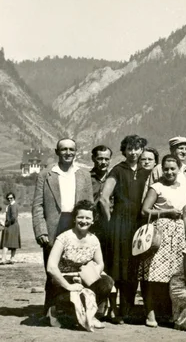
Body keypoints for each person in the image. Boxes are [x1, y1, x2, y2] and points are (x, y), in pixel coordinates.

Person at [32, 137, 94, 315]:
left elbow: (89, 205)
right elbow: (37, 205)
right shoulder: (46, 174)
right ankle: (50, 310)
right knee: (52, 269)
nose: (68, 153)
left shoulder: (84, 174)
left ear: (76, 152)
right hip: (53, 227)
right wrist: (40, 230)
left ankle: (73, 310)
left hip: (77, 225)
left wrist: (87, 230)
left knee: (76, 269)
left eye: (71, 149)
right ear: (57, 152)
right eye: (64, 149)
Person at [98, 134, 151, 323]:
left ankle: (126, 310)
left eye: (137, 148)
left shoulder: (147, 172)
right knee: (116, 268)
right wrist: (111, 221)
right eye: (130, 148)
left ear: (142, 150)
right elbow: (104, 198)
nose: (134, 152)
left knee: (132, 269)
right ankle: (113, 310)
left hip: (139, 226)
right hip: (119, 226)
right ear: (124, 151)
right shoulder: (117, 170)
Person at [139, 154, 186, 327]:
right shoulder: (156, 187)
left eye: (173, 169)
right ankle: (150, 313)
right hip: (159, 233)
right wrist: (165, 212)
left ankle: (170, 312)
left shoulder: (184, 187)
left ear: (178, 169)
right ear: (162, 169)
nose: (169, 172)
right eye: (166, 169)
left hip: (177, 235)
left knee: (174, 275)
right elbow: (144, 210)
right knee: (153, 274)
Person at [46, 200, 114, 331]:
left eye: (88, 218)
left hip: (85, 278)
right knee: (72, 304)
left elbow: (100, 264)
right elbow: (51, 267)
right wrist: (69, 286)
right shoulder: (64, 238)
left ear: (93, 220)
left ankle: (89, 314)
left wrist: (86, 277)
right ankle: (57, 311)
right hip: (65, 280)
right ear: (74, 219)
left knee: (107, 282)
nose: (84, 221)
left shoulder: (94, 239)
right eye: (80, 217)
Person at [1, 192, 20, 265]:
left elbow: (13, 217)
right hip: (13, 225)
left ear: (14, 198)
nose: (9, 199)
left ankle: (3, 259)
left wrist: (6, 224)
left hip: (11, 225)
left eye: (11, 198)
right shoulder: (10, 205)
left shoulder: (13, 206)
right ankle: (12, 258)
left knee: (6, 242)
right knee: (12, 242)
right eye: (8, 198)